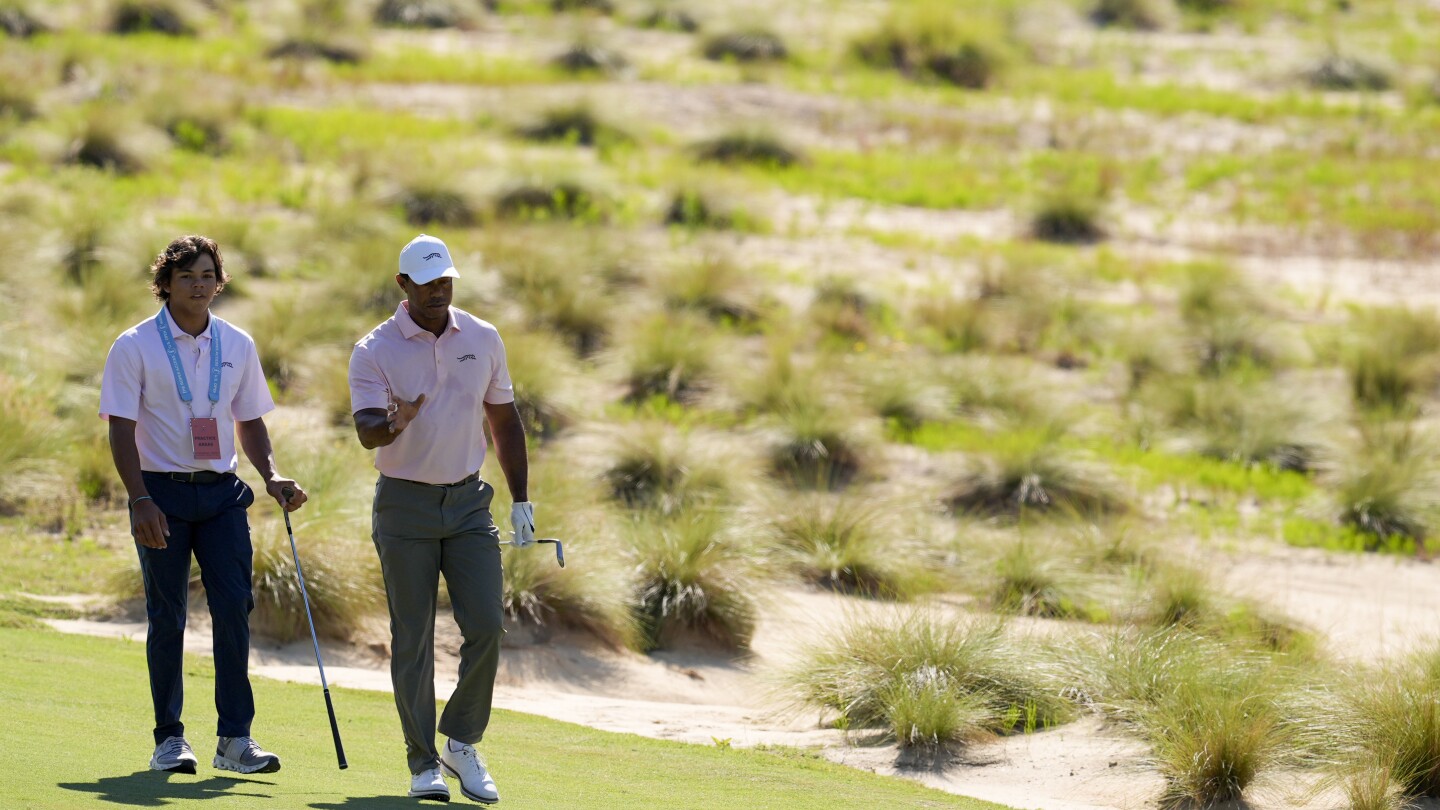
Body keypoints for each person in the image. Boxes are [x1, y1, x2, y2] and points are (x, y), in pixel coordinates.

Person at [100, 235, 309, 775]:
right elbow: (120, 429)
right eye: (188, 275)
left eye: (209, 274)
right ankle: (169, 738)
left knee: (235, 607)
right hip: (160, 494)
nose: (200, 284)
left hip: (221, 495)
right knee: (166, 615)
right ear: (165, 283)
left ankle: (234, 739)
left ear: (221, 282)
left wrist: (272, 475)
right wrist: (139, 498)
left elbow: (250, 419)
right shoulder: (134, 345)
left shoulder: (237, 343)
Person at [348, 233, 535, 804]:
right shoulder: (373, 349)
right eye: (427, 282)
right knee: (414, 637)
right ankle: (422, 761)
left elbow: (503, 421)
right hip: (404, 505)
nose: (439, 291)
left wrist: (521, 500)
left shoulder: (481, 336)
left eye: (446, 280)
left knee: (485, 625)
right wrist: (397, 423)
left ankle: (460, 740)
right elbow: (366, 433)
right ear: (402, 285)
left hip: (469, 503)